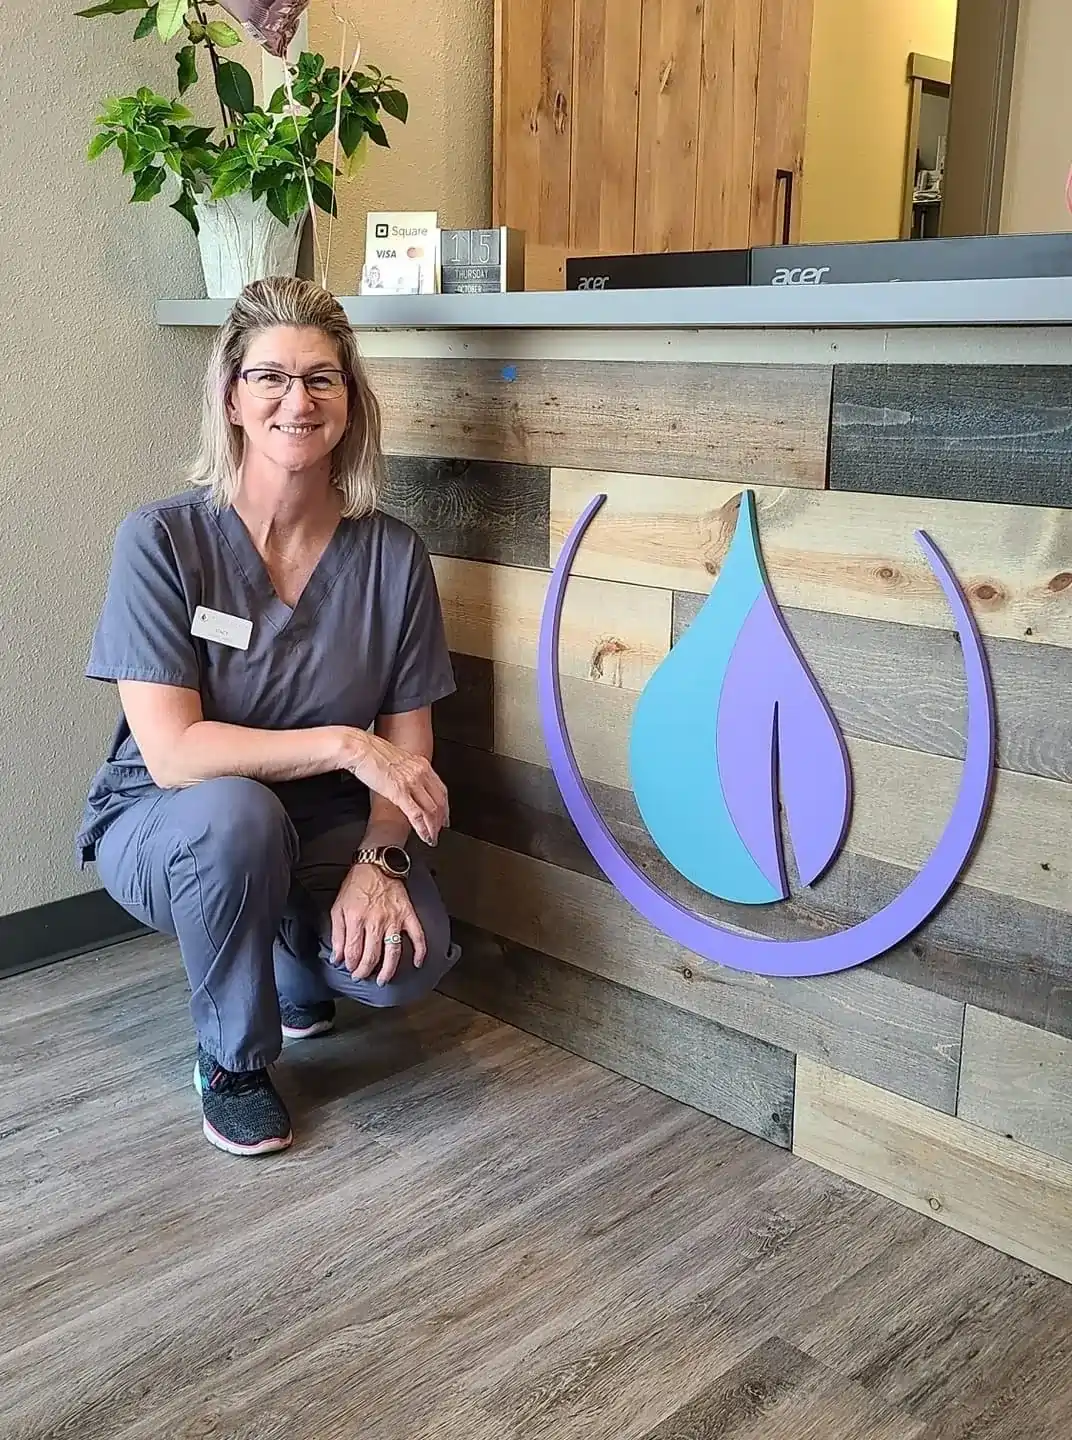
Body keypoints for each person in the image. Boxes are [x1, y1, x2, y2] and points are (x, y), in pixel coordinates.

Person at [76, 276, 460, 1159]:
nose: (298, 400)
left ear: (351, 403)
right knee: (235, 817)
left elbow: (408, 744)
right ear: (232, 398)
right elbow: (174, 753)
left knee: (407, 961)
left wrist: (380, 857)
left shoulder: (392, 554)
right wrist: (342, 742)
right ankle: (234, 1062)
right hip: (174, 820)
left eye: (323, 378)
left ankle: (290, 955)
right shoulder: (162, 541)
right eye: (271, 378)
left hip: (323, 825)